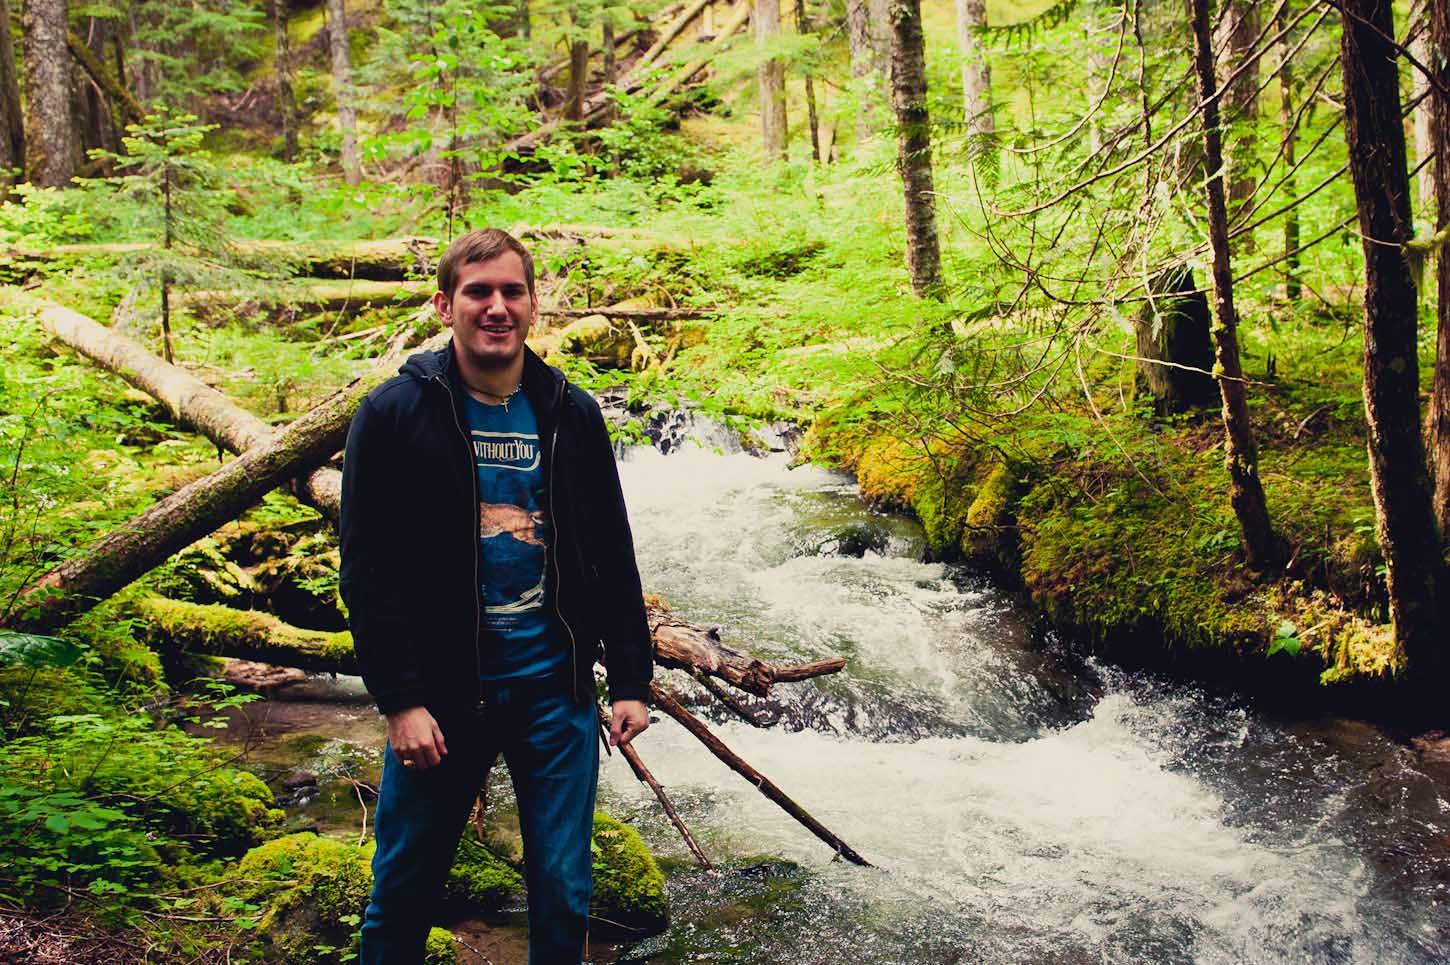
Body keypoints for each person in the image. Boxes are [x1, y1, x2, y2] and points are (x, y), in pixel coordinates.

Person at [339, 227, 654, 964]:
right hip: (443, 697)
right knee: (404, 891)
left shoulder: (569, 412)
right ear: (445, 304)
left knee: (562, 891)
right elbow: (367, 570)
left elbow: (611, 550)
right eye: (478, 292)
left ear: (534, 305)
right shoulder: (392, 414)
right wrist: (399, 700)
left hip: (554, 692)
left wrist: (632, 676)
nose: (496, 307)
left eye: (512, 291)